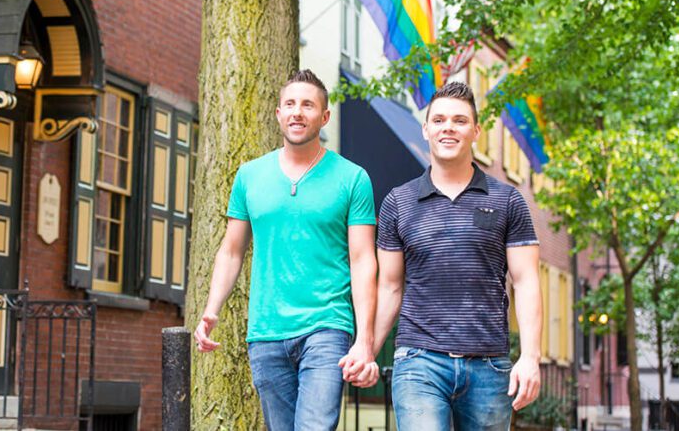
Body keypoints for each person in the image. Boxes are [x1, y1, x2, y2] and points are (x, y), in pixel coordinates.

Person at [193, 69, 379, 431]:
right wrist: (211, 309)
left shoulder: (352, 178)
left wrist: (365, 340)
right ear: (278, 113)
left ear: (324, 117)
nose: (297, 112)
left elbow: (362, 260)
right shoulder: (249, 176)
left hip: (327, 327)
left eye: (308, 105)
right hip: (266, 331)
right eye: (290, 104)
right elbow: (231, 250)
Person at [367, 81, 542, 430]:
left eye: (460, 121)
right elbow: (389, 288)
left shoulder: (508, 201)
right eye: (440, 120)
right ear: (426, 128)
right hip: (419, 362)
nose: (449, 127)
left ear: (476, 131)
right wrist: (367, 351)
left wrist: (531, 358)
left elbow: (526, 282)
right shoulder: (397, 203)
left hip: (489, 367)